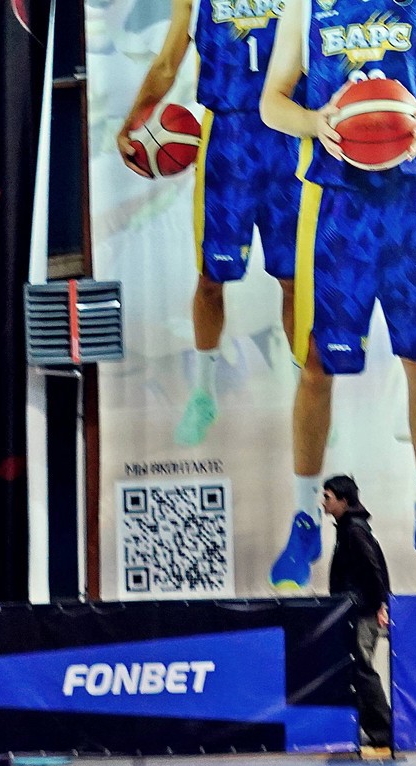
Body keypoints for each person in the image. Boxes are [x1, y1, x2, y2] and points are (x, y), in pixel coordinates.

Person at [263, 0, 416, 586]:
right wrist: (315, 122)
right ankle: (305, 519)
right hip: (335, 205)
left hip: (413, 202)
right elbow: (272, 101)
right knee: (316, 367)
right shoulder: (306, 6)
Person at [122, 0, 303, 447]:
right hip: (226, 145)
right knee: (210, 280)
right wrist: (133, 122)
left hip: (291, 141)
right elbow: (168, 62)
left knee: (295, 281)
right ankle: (204, 393)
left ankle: (309, 392)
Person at [323, 475, 393, 748]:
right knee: (357, 669)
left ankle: (384, 731)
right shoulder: (348, 528)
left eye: (327, 497)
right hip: (356, 608)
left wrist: (380, 605)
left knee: (362, 669)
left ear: (343, 500)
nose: (323, 502)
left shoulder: (354, 530)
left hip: (363, 611)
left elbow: (373, 568)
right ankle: (375, 729)